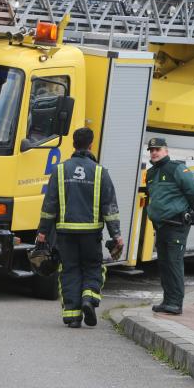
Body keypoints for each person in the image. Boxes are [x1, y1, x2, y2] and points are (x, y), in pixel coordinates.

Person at [36, 127, 124, 328]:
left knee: (69, 270)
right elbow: (110, 208)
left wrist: (42, 232)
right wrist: (116, 235)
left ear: (73, 144)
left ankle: (72, 315)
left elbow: (49, 205)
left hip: (65, 233)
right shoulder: (101, 172)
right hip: (91, 233)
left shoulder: (59, 171)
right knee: (93, 267)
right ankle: (88, 299)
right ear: (91, 144)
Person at [145, 137, 194, 315]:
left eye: (157, 149)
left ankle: (176, 303)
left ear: (166, 151)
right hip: (161, 225)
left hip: (176, 223)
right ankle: (168, 300)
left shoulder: (176, 168)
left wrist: (187, 209)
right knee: (164, 263)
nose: (154, 152)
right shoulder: (152, 173)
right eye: (151, 150)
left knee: (174, 262)